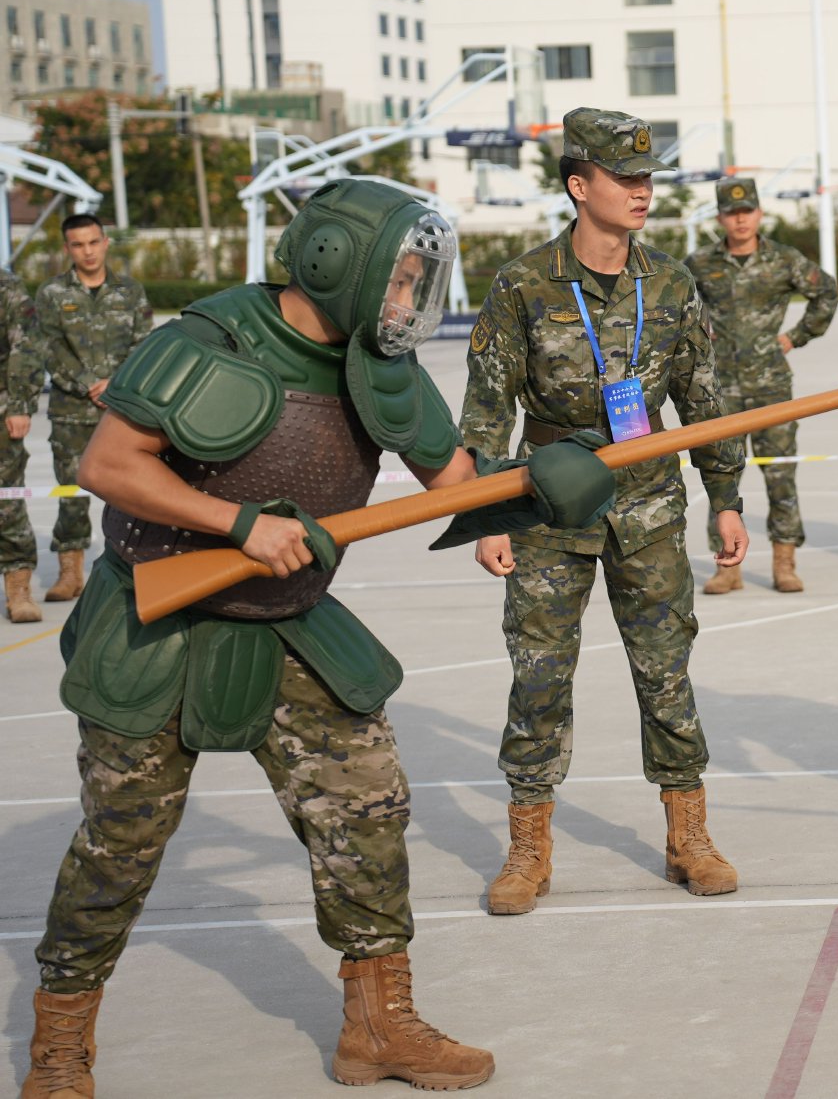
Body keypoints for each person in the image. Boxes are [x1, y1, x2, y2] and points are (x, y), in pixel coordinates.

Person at [21, 178, 615, 1095]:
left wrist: (538, 483)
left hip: (290, 618)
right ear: (339, 264)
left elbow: (453, 476)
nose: (411, 302)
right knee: (121, 845)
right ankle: (61, 1047)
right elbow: (108, 464)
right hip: (160, 619)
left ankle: (378, 1026)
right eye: (402, 281)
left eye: (420, 284)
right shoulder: (203, 344)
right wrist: (237, 524)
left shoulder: (379, 365)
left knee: (368, 808)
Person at [465, 108, 750, 916]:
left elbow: (705, 402)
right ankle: (528, 848)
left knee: (666, 676)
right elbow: (485, 411)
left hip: (650, 503)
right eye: (624, 178)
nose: (641, 191)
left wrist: (724, 500)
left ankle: (687, 835)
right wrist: (486, 514)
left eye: (647, 177)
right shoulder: (523, 284)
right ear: (578, 185)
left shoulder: (670, 283)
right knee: (540, 682)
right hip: (549, 501)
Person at [685, 176, 837, 593]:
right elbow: (676, 308)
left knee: (780, 476)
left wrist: (795, 336)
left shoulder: (783, 260)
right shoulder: (699, 264)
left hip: (771, 386)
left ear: (759, 213)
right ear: (720, 217)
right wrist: (699, 337)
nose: (740, 220)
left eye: (747, 211)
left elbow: (826, 292)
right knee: (722, 478)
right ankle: (727, 566)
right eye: (732, 214)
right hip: (720, 389)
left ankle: (784, 563)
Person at [36, 213, 152, 604]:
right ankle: (71, 571)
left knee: (132, 493)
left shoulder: (131, 292)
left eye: (92, 242)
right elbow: (50, 347)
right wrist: (89, 384)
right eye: (77, 244)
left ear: (105, 242)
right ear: (67, 248)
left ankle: (133, 567)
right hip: (71, 411)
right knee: (70, 491)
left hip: (123, 411)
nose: (87, 251)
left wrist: (117, 384)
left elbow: (145, 345)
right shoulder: (52, 293)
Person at [0, 270, 43, 623]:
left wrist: (18, 404)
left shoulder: (7, 286)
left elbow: (25, 344)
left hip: (1, 407)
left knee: (6, 500)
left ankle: (18, 588)